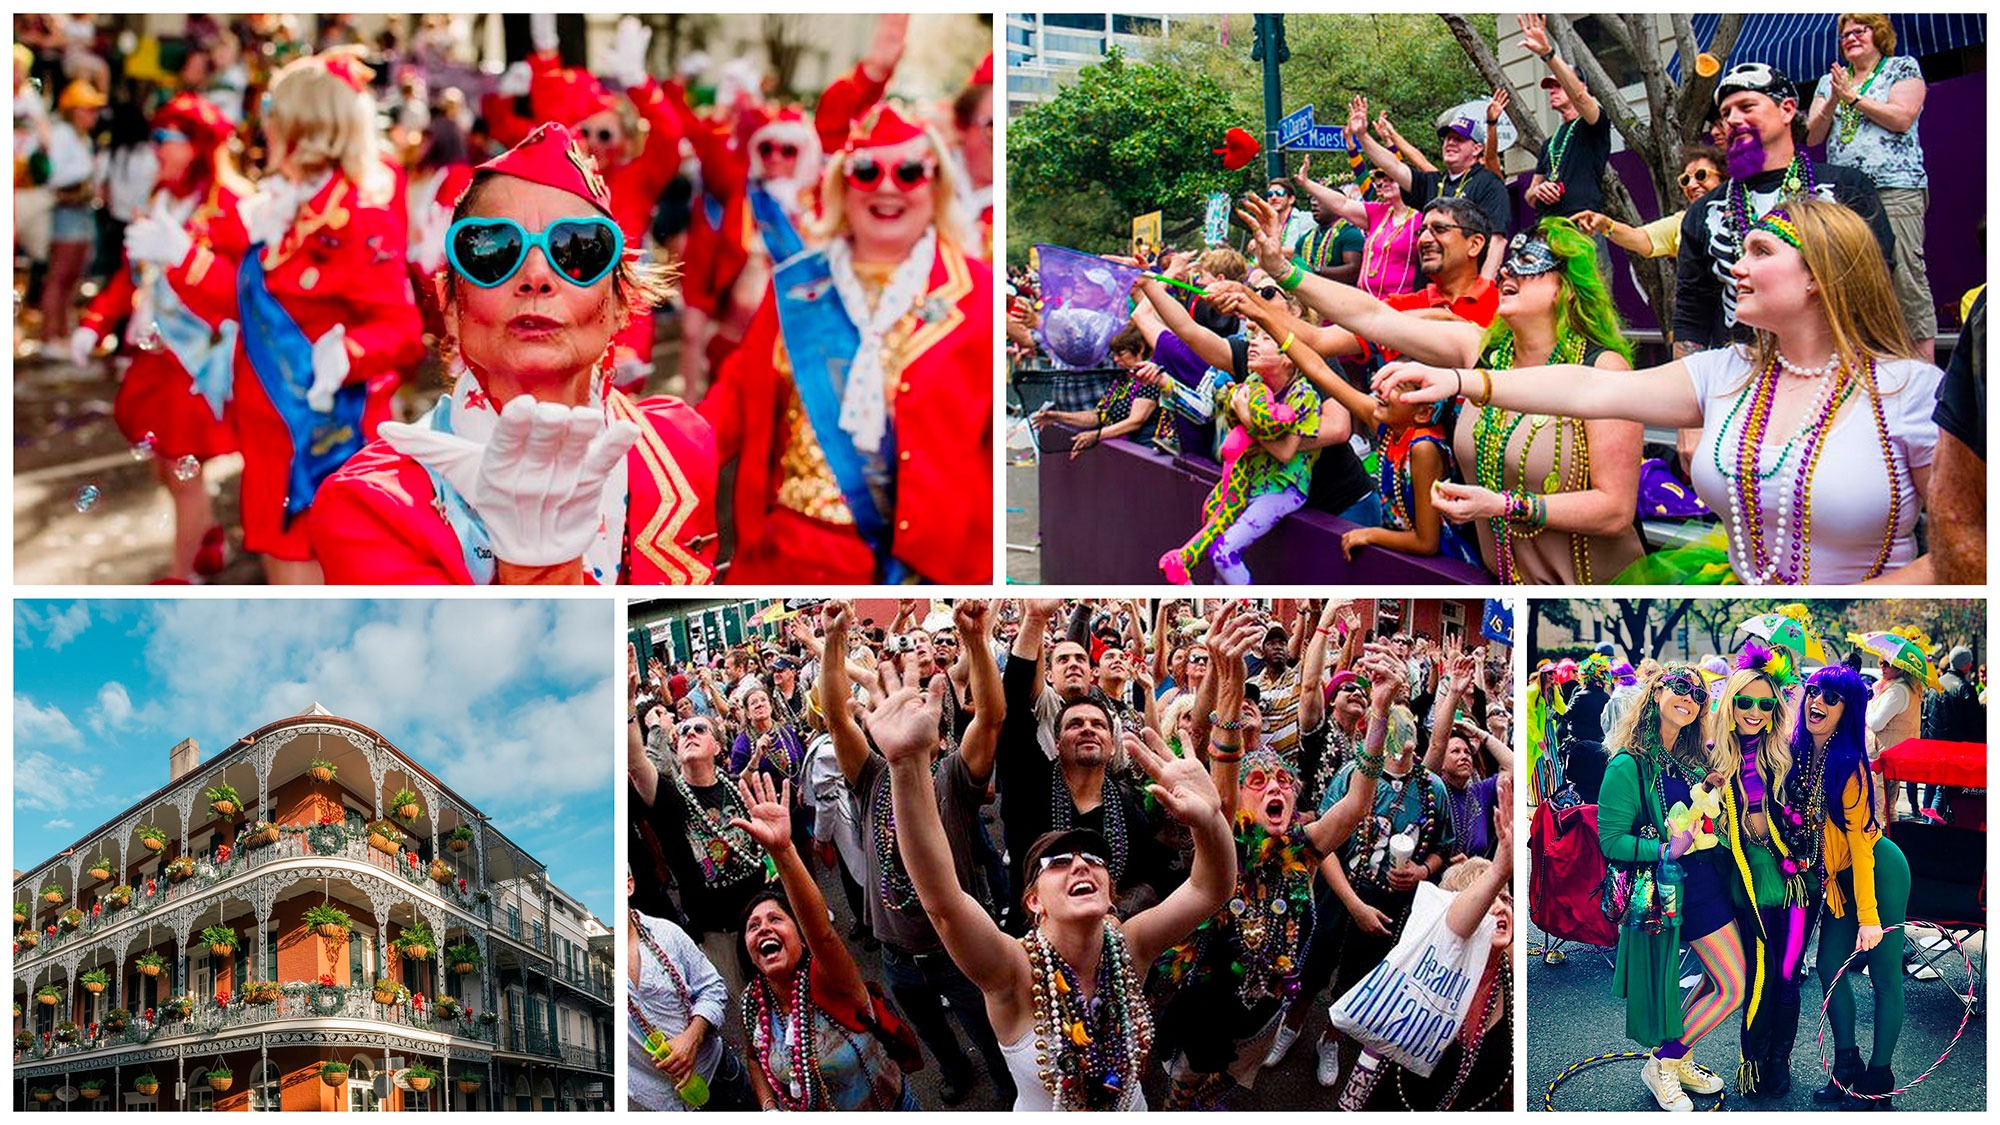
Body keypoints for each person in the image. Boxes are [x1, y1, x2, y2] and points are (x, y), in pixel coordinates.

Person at [1379, 199, 1939, 584]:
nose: (1736, 269)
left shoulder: (1910, 392)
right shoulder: (1725, 372)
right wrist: (1462, 380)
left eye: (1760, 253)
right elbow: (1590, 388)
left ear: (1819, 272)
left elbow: (1968, 555)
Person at [311, 121, 720, 584]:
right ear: (449, 305)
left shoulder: (678, 446)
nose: (537, 276)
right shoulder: (371, 505)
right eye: (493, 251)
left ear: (620, 306)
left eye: (577, 250)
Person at [883, 655, 1238, 1110]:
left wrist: (1209, 822)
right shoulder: (1011, 971)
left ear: (1112, 890)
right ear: (1032, 900)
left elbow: (1210, 888)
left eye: (1093, 857)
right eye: (1057, 862)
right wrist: (906, 766)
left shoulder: (1130, 948)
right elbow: (942, 899)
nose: (1080, 865)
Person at [1246, 190, 1641, 584]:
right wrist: (1284, 271)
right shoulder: (1479, 349)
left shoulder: (1604, 368)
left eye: (1527, 262)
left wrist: (1503, 506)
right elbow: (1372, 315)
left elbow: (1615, 510)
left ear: (1566, 287)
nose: (1506, 272)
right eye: (1507, 264)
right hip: (1501, 587)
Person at [157, 49, 424, 582]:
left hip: (327, 443)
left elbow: (402, 329)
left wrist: (347, 355)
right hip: (268, 439)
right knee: (285, 578)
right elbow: (247, 308)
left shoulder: (359, 215)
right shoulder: (279, 205)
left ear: (305, 124)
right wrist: (181, 260)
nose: (266, 123)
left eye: (275, 110)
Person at [703, 104, 993, 583]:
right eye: (865, 171)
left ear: (935, 183)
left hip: (917, 571)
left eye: (907, 172)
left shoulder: (977, 297)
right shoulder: (794, 288)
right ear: (841, 183)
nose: (886, 186)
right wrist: (650, 451)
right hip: (786, 556)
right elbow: (730, 404)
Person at [1151, 605, 1387, 1108]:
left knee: (1231, 1083)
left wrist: (1381, 714)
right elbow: (1223, 783)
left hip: (1264, 1012)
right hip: (1206, 1006)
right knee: (1185, 1089)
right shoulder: (1225, 842)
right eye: (1260, 783)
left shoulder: (1302, 849)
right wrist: (1232, 684)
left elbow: (1357, 804)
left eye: (1283, 780)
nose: (1275, 787)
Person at [820, 600, 1016, 1105]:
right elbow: (839, 721)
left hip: (960, 950)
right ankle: (954, 1072)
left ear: (938, 733)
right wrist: (834, 641)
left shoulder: (952, 776)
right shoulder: (872, 778)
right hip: (897, 955)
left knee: (994, 1036)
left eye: (918, 714)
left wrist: (975, 639)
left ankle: (1009, 1092)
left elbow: (992, 718)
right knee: (932, 1032)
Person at [73, 92, 248, 584]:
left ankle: (181, 575)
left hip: (197, 363)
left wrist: (188, 258)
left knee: (178, 470)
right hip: (155, 356)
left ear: (196, 145)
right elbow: (130, 277)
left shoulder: (232, 204)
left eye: (164, 139)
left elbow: (243, 295)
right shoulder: (160, 199)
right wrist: (93, 323)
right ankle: (209, 536)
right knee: (164, 468)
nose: (154, 149)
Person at [1598, 663, 1745, 1112]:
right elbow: (1610, 840)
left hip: (1706, 882)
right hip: (1665, 889)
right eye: (1680, 687)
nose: (1690, 698)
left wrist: (1710, 793)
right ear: (1656, 691)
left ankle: (1677, 1058)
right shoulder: (1629, 763)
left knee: (1718, 978)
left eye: (1699, 694)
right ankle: (1664, 1060)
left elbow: (1694, 808)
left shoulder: (1689, 756)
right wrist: (1665, 848)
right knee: (1732, 986)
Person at [1672, 62, 1892, 354]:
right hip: (1738, 373)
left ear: (1787, 109)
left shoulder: (1847, 187)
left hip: (1833, 366)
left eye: (1746, 106)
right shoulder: (1704, 212)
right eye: (1726, 113)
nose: (1732, 120)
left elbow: (1876, 282)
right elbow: (1692, 306)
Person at [730, 773, 920, 1110]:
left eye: (776, 919)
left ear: (800, 940)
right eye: (753, 926)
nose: (763, 929)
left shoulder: (829, 977)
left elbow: (822, 933)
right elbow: (754, 1060)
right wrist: (769, 1107)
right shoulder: (752, 1002)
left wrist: (783, 850)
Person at [1800, 664, 1911, 1108]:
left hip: (1878, 871)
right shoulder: (1801, 754)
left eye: (1831, 697)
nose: (1817, 702)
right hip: (1838, 878)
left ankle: (1879, 1078)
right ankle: (1846, 1067)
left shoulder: (1851, 766)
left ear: (1847, 710)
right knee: (1829, 968)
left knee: (1885, 978)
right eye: (1812, 691)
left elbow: (1862, 850)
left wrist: (1870, 919)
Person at [1706, 644, 1814, 1098]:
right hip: (1747, 882)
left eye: (1766, 703)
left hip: (1792, 881)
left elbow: (1811, 819)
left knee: (1788, 973)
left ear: (1775, 710)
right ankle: (1752, 1058)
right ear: (1730, 705)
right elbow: (1699, 826)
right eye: (1745, 701)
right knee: (1759, 975)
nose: (1754, 711)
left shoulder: (1788, 758)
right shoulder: (1711, 759)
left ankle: (1778, 1060)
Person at [1807, 13, 1936, 361]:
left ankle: (1922, 373)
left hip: (1895, 188)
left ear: (1877, 34)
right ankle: (1867, 365)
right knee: (1853, 277)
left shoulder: (1901, 68)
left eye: (1858, 31)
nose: (1849, 38)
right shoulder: (1829, 82)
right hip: (1846, 196)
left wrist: (1852, 98)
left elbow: (1901, 117)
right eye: (1844, 34)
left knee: (1905, 275)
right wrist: (1834, 98)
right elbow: (1812, 135)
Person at [628, 697, 771, 993]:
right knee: (746, 1005)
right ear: (676, 751)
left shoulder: (737, 786)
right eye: (682, 732)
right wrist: (629, 708)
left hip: (760, 913)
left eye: (700, 729)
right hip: (717, 930)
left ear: (718, 747)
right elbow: (637, 763)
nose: (689, 733)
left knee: (782, 995)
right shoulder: (669, 799)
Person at [627, 872, 759, 1111]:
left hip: (718, 1077)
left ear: (629, 885)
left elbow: (713, 987)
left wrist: (692, 1038)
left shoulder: (667, 934)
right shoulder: (591, 961)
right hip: (658, 1106)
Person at [1351, 95, 1511, 277]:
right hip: (1429, 287)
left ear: (1476, 149)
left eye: (1459, 139)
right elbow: (1393, 166)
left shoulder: (1490, 184)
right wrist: (1362, 136)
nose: (1450, 143)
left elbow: (1498, 240)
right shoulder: (1433, 181)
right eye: (1447, 139)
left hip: (1467, 285)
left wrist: (1485, 285)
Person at [1299, 121, 1421, 298]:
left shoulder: (1423, 215)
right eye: (1381, 179)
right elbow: (1342, 204)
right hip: (1369, 302)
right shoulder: (1378, 211)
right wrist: (1307, 183)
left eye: (1391, 178)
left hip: (1404, 305)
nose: (1383, 183)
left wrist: (1387, 139)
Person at [1518, 15, 1614, 223]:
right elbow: (1529, 195)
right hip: (1547, 227)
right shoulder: (1549, 143)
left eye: (1559, 84)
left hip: (1581, 224)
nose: (1552, 90)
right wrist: (1538, 191)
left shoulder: (1593, 123)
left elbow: (1579, 95)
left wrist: (1548, 54)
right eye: (1550, 87)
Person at [1031, 325, 1171, 458]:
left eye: (1121, 354)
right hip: (1123, 453)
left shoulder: (1149, 378)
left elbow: (1135, 421)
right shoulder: (1123, 379)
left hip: (1145, 451)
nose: (1116, 360)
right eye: (1114, 354)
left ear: (1140, 350)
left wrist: (1097, 435)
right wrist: (1058, 416)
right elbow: (1098, 415)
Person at [38, 79, 104, 350]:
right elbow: (54, 176)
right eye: (87, 109)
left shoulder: (82, 137)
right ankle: (49, 335)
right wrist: (88, 168)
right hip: (65, 211)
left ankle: (63, 332)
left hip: (82, 210)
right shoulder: (62, 134)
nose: (92, 115)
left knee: (73, 276)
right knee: (59, 274)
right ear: (73, 110)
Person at [1576, 146, 1726, 261]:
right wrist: (1606, 225)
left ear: (1724, 177)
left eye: (1701, 176)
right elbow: (1639, 238)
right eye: (1685, 180)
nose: (1692, 185)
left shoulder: (1744, 212)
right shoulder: (1683, 221)